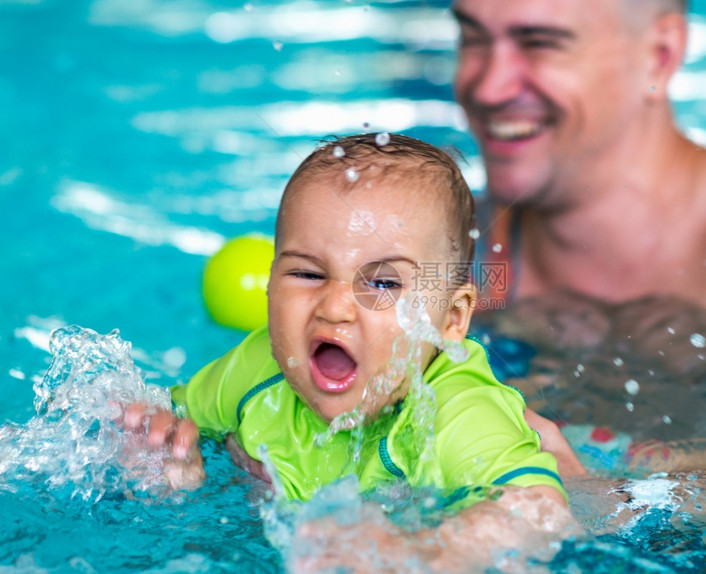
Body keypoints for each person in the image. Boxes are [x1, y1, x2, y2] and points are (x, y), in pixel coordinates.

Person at [123, 133, 582, 572]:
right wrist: (160, 445)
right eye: (307, 274)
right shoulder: (256, 368)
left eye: (383, 283)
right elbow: (168, 416)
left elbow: (540, 513)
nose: (336, 307)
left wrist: (419, 554)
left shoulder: (456, 405)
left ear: (452, 319)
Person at [452, 0, 706, 359]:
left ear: (658, 57)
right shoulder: (455, 248)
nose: (488, 89)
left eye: (540, 43)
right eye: (472, 38)